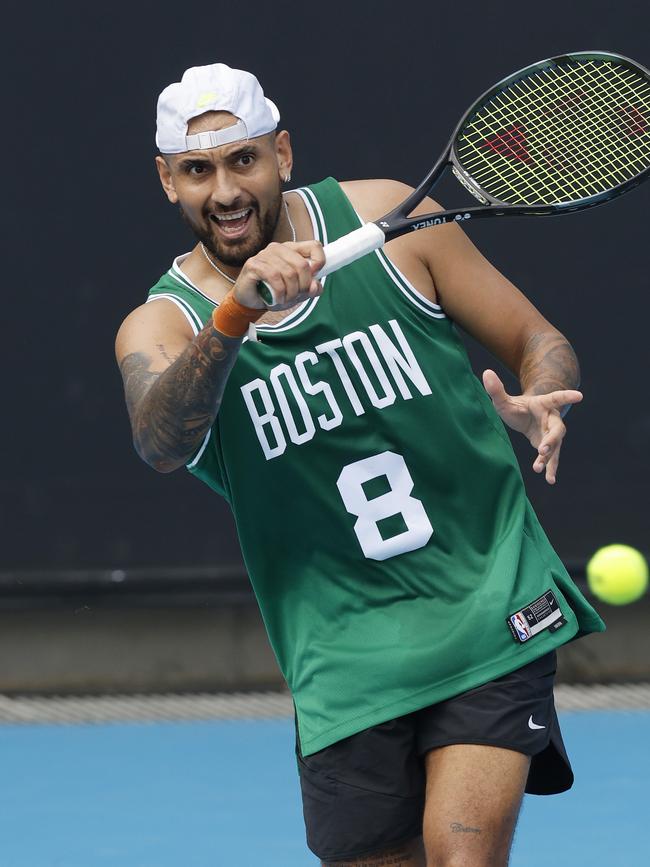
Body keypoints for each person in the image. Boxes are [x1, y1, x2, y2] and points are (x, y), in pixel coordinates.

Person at [115, 62, 605, 867]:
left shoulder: (389, 219)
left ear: (284, 153)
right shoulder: (160, 324)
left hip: (486, 603)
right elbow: (160, 439)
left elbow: (538, 341)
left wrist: (541, 395)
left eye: (245, 160)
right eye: (199, 170)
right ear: (169, 181)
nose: (226, 189)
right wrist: (239, 311)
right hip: (342, 662)